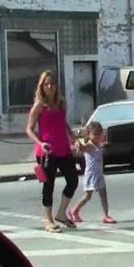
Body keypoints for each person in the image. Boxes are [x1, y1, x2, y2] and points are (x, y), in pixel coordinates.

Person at [25, 71, 79, 233]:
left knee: (73, 180)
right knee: (48, 185)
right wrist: (40, 143)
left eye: (52, 84)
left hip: (63, 148)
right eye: (46, 84)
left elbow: (63, 123)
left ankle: (61, 213)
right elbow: (29, 129)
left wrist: (73, 138)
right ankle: (48, 220)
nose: (50, 87)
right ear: (41, 86)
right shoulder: (39, 105)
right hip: (46, 152)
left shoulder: (61, 103)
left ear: (56, 86)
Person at [68, 122, 115, 225]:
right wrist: (78, 142)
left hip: (99, 174)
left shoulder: (97, 144)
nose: (97, 136)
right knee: (88, 196)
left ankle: (106, 216)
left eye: (99, 134)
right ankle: (74, 210)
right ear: (89, 135)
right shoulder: (89, 145)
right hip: (91, 174)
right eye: (95, 134)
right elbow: (81, 145)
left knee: (103, 195)